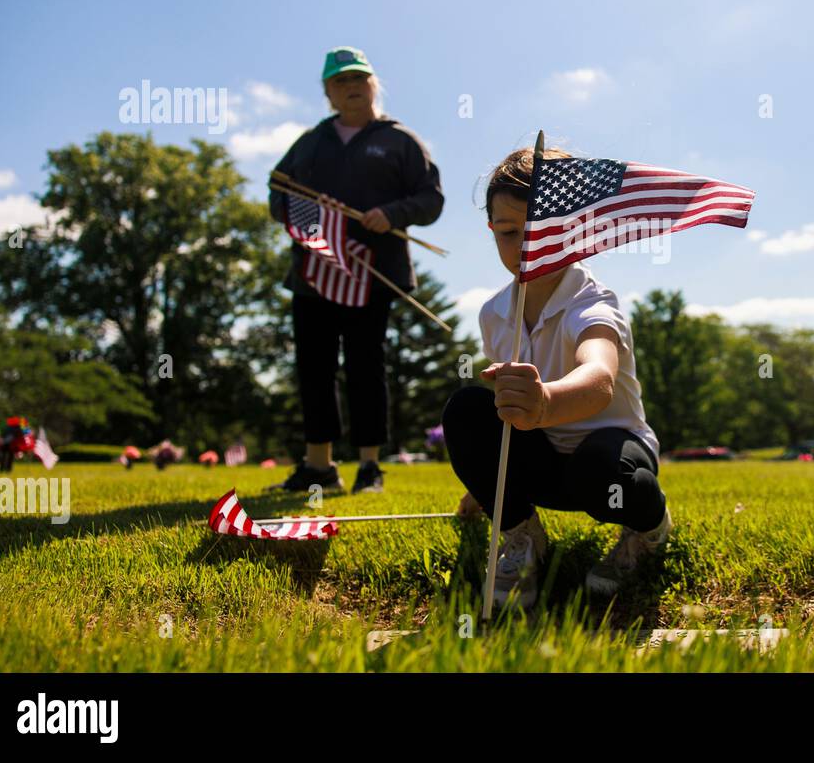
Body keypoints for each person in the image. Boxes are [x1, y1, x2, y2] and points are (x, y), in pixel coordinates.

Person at [442, 146, 672, 610]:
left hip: (609, 457)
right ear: (491, 231)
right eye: (509, 232)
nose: (527, 246)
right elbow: (506, 408)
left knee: (602, 470)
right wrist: (482, 486)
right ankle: (523, 537)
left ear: (575, 228)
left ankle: (649, 529)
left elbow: (599, 376)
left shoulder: (592, 301)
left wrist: (545, 401)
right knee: (467, 408)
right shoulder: (495, 313)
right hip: (541, 458)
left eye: (544, 230)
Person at [269, 47, 443, 495]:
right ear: (328, 93)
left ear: (373, 84)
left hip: (374, 271)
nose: (350, 87)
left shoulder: (401, 141)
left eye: (358, 79)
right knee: (314, 365)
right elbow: (279, 192)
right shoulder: (310, 142)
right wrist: (311, 224)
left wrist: (393, 212)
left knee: (366, 364)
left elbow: (431, 199)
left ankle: (369, 466)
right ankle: (318, 466)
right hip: (314, 272)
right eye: (339, 81)